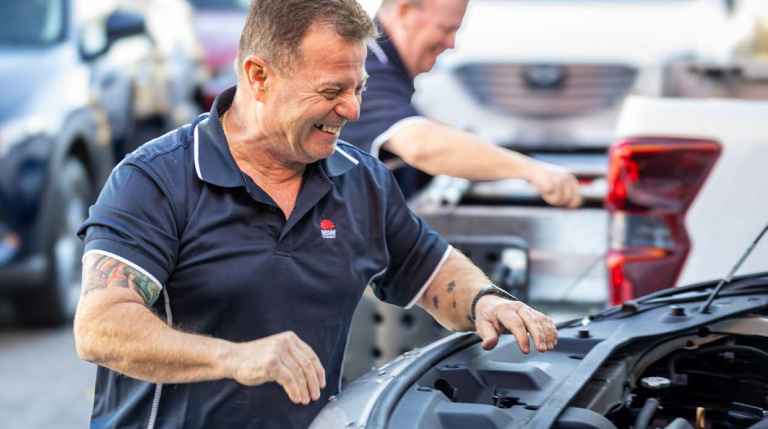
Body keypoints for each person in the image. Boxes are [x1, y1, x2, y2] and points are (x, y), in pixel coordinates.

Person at [73, 1, 558, 428]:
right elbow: (101, 328)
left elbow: (431, 271)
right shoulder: (155, 179)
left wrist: (485, 302)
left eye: (359, 88)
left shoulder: (362, 180)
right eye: (330, 91)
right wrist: (235, 358)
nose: (350, 109)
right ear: (258, 77)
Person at [340, 0, 583, 207]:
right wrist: (533, 171)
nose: (451, 44)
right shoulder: (362, 69)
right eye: (446, 29)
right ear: (404, 12)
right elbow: (421, 145)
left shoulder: (383, 69)